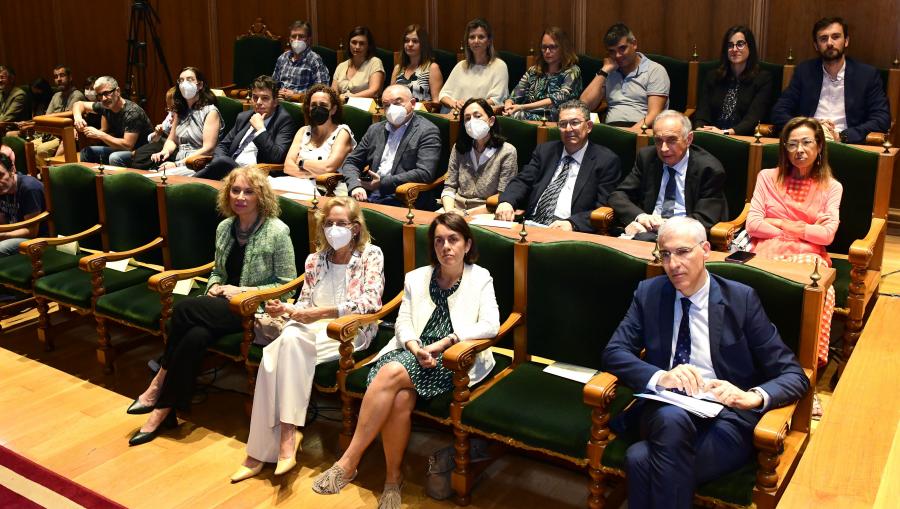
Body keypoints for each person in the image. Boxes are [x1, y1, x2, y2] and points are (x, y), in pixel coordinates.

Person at [602, 216, 810, 509]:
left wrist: (751, 397)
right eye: (665, 254)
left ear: (706, 250)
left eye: (683, 252)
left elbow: (793, 374)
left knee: (641, 460)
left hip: (727, 418)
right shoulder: (649, 294)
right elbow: (615, 352)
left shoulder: (741, 300)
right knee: (670, 419)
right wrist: (662, 376)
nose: (673, 264)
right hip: (664, 410)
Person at [312, 213, 499, 509]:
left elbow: (491, 324)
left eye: (453, 240)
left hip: (452, 360)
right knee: (399, 398)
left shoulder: (480, 277)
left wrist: (446, 342)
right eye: (439, 241)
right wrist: (415, 346)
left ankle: (349, 461)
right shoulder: (417, 277)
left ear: (467, 244)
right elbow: (404, 324)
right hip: (411, 352)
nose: (446, 247)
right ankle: (391, 479)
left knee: (392, 373)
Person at [126, 166, 296, 446]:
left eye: (249, 191)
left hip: (254, 310)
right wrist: (214, 287)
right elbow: (218, 272)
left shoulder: (277, 231)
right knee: (195, 336)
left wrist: (241, 291)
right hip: (221, 306)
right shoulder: (225, 227)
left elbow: (287, 284)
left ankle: (158, 382)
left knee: (181, 312)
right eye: (235, 190)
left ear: (261, 196)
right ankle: (164, 412)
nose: (240, 197)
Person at [230, 196, 384, 482]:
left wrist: (322, 313)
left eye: (341, 223)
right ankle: (287, 435)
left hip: (349, 330)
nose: (334, 228)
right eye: (328, 223)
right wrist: (286, 309)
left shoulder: (371, 255)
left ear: (355, 228)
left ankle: (263, 450)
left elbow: (371, 303)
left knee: (275, 353)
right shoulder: (315, 259)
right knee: (284, 345)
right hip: (309, 328)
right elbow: (303, 304)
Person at [746, 116, 841, 370]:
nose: (799, 150)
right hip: (765, 252)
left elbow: (827, 236)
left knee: (823, 291)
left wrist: (779, 223)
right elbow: (753, 225)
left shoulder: (832, 186)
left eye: (806, 142)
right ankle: (756, 364)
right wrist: (808, 228)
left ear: (819, 146)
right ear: (784, 149)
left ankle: (805, 367)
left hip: (809, 256)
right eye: (792, 144)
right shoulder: (767, 177)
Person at [494, 99, 620, 232]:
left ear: (588, 126)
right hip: (531, 223)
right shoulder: (545, 151)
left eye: (575, 123)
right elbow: (523, 181)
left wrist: (573, 224)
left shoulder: (606, 160)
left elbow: (603, 206)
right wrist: (506, 201)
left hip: (570, 231)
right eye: (563, 124)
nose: (568, 129)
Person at [608, 110, 728, 241]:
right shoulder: (647, 158)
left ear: (689, 139)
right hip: (647, 230)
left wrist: (665, 226)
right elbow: (618, 196)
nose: (664, 148)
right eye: (658, 141)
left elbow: (705, 218)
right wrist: (641, 216)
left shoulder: (709, 169)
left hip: (685, 237)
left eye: (671, 140)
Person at [770, 17, 890, 144]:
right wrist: (809, 126)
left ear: (846, 41)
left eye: (836, 37)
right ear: (816, 45)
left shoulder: (867, 75)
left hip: (847, 144)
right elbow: (779, 112)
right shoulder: (804, 72)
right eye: (823, 38)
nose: (830, 43)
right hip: (808, 141)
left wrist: (843, 136)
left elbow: (882, 118)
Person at [339, 84, 441, 205]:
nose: (392, 108)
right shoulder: (375, 130)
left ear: (412, 103)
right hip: (368, 194)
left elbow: (425, 173)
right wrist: (355, 186)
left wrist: (382, 183)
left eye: (398, 103)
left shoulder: (427, 131)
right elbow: (352, 162)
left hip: (404, 197)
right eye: (386, 105)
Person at [195, 75, 297, 180]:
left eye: (265, 98)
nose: (258, 103)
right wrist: (219, 163)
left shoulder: (284, 121)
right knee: (222, 162)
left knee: (221, 164)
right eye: (255, 97)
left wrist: (260, 130)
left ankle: (193, 181)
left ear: (275, 102)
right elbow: (223, 146)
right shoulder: (244, 117)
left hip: (254, 174)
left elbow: (276, 158)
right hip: (229, 170)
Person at [580, 23, 670, 127]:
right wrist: (604, 71)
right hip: (612, 129)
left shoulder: (655, 70)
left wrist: (630, 134)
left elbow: (654, 114)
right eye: (612, 51)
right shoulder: (609, 71)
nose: (617, 55)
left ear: (634, 44)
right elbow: (584, 106)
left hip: (642, 131)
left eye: (622, 48)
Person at [693, 26, 774, 136]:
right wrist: (701, 131)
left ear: (750, 47)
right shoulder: (712, 77)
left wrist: (725, 133)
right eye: (730, 45)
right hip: (711, 136)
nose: (734, 49)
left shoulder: (763, 79)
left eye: (740, 44)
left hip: (742, 139)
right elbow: (702, 113)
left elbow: (753, 118)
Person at [440, 98, 517, 212]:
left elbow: (503, 195)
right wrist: (450, 211)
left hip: (487, 211)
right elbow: (449, 187)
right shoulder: (459, 147)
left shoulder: (507, 151)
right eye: (467, 118)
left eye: (477, 116)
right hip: (455, 208)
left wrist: (466, 215)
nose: (472, 121)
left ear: (491, 121)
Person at [149, 67, 223, 170]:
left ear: (200, 85)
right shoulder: (179, 111)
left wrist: (177, 164)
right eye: (181, 80)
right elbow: (172, 140)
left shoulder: (210, 112)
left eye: (190, 79)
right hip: (178, 162)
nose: (184, 84)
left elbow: (208, 148)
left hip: (199, 164)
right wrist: (164, 151)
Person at [503, 26, 582, 121]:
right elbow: (515, 94)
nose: (547, 51)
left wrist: (522, 107)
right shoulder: (533, 71)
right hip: (525, 114)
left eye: (552, 47)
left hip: (556, 119)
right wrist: (508, 105)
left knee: (517, 116)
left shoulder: (572, 71)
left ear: (563, 48)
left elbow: (557, 99)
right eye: (544, 47)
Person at [72, 76, 153, 167]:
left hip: (141, 152)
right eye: (99, 95)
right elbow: (78, 104)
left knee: (115, 157)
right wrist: (78, 118)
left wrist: (100, 134)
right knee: (87, 152)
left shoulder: (132, 112)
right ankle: (94, 181)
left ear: (117, 91)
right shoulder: (106, 106)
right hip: (123, 149)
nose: (103, 98)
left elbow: (127, 145)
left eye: (107, 93)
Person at [283, 84, 356, 178]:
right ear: (308, 109)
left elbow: (328, 168)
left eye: (323, 105)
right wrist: (312, 175)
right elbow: (288, 167)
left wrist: (302, 162)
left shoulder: (342, 132)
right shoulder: (303, 131)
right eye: (313, 105)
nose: (318, 109)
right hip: (298, 183)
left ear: (333, 109)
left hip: (329, 188)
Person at [439, 18, 509, 112]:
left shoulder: (499, 66)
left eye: (481, 37)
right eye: (472, 37)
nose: (476, 41)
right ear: (467, 42)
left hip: (482, 116)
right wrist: (454, 103)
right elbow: (443, 94)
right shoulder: (461, 66)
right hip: (456, 115)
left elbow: (496, 100)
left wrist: (469, 106)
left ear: (489, 41)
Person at [33, 65, 87, 167]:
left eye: (62, 76)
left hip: (66, 135)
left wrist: (51, 116)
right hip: (51, 134)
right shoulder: (56, 95)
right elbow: (47, 116)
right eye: (56, 76)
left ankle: (46, 176)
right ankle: (40, 174)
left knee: (41, 150)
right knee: (30, 146)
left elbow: (70, 116)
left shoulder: (77, 95)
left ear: (70, 77)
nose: (58, 79)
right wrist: (49, 117)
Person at [0, 147, 45, 256]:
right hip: (13, 234)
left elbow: (31, 232)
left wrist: (3, 235)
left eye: (1, 175)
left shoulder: (30, 188)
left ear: (12, 170)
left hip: (38, 240)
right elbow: (3, 223)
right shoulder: (3, 189)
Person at [272, 20, 331, 97]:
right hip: (280, 102)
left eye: (301, 36)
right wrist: (277, 92)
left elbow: (322, 91)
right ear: (290, 39)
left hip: (300, 105)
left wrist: (296, 95)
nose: (297, 40)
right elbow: (273, 85)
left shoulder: (314, 59)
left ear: (309, 40)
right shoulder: (283, 58)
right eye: (293, 36)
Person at [389, 24, 444, 103]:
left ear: (423, 44)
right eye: (407, 41)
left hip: (421, 114)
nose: (410, 44)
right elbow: (390, 96)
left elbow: (436, 101)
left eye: (415, 41)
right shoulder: (398, 68)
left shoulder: (432, 68)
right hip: (399, 113)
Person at [332, 26, 385, 101]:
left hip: (366, 109)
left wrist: (350, 98)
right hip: (342, 108)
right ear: (349, 43)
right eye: (354, 42)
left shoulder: (375, 62)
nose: (357, 47)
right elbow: (333, 94)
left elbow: (374, 91)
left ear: (368, 46)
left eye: (362, 43)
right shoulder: (341, 66)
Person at [131, 87, 177, 170]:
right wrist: (157, 133)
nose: (171, 112)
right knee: (137, 155)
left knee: (139, 157)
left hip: (177, 149)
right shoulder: (170, 114)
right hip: (164, 144)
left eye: (173, 108)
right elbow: (154, 139)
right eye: (169, 108)